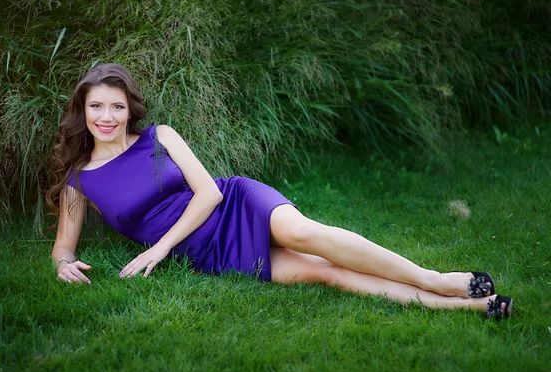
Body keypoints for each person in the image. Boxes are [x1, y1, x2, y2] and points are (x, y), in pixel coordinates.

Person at [47, 63, 512, 319]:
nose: (106, 116)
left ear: (130, 110)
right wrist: (65, 265)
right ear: (82, 110)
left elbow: (208, 193)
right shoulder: (80, 178)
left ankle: (436, 279)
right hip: (208, 254)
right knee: (324, 274)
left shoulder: (161, 137)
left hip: (234, 204)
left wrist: (157, 251)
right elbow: (63, 247)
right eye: (96, 106)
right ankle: (470, 307)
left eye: (116, 106)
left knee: (308, 235)